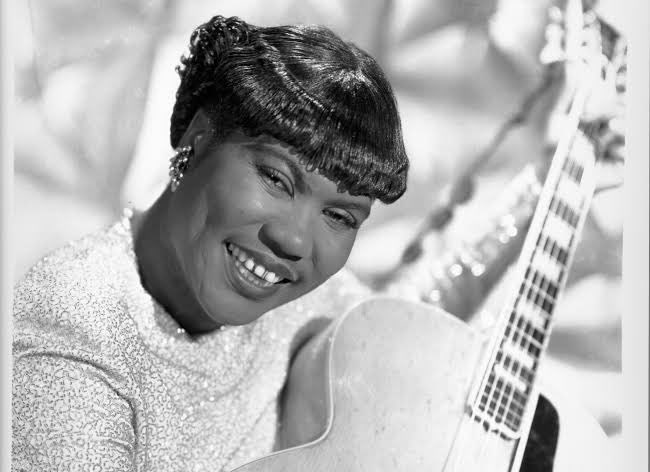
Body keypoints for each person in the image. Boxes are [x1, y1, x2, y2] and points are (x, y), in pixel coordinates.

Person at [12, 14, 409, 471]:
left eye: (339, 216)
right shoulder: (74, 328)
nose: (294, 239)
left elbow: (412, 334)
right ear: (197, 139)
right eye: (276, 179)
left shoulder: (301, 310)